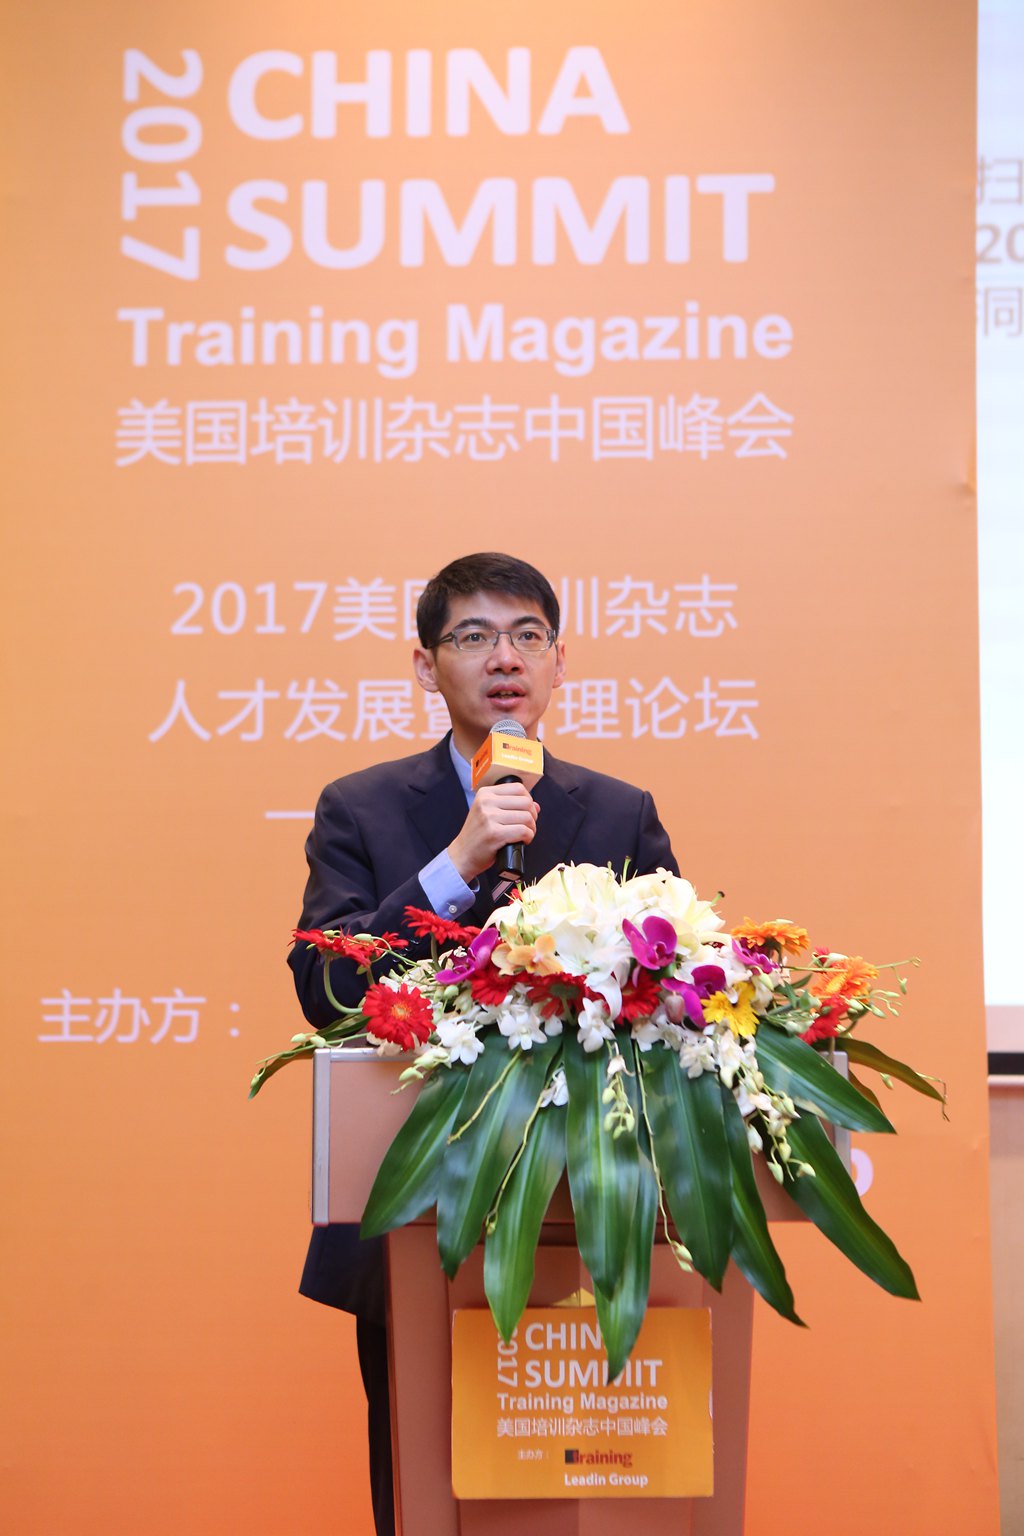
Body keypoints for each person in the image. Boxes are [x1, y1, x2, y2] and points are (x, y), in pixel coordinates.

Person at [289, 552, 678, 1536]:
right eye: (473, 637)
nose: (504, 658)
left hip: (590, 1207)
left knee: (588, 1492)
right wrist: (458, 860)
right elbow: (326, 989)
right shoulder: (361, 807)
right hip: (416, 1208)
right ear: (427, 667)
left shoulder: (619, 811)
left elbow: (675, 988)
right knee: (426, 1486)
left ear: (558, 662)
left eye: (526, 636)